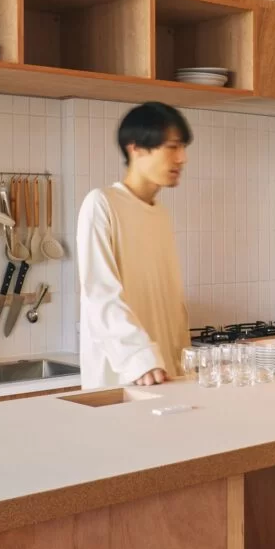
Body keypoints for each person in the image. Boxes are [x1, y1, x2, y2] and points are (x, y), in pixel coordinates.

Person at [75, 102, 192, 389]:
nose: (182, 158)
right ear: (136, 148)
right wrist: (139, 359)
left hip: (164, 374)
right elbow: (100, 293)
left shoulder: (160, 214)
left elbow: (170, 302)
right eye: (172, 147)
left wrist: (180, 360)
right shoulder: (101, 204)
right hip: (127, 376)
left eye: (182, 147)